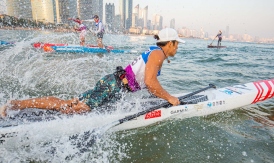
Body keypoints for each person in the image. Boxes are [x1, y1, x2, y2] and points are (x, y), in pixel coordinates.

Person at [0, 28, 185, 118]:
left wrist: (161, 97)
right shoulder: (158, 54)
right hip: (113, 87)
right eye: (177, 44)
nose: (177, 48)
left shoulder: (155, 52)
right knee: (70, 108)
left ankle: (21, 105)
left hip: (114, 85)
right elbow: (150, 82)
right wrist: (170, 98)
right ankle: (16, 104)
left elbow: (146, 83)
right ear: (170, 43)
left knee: (71, 106)